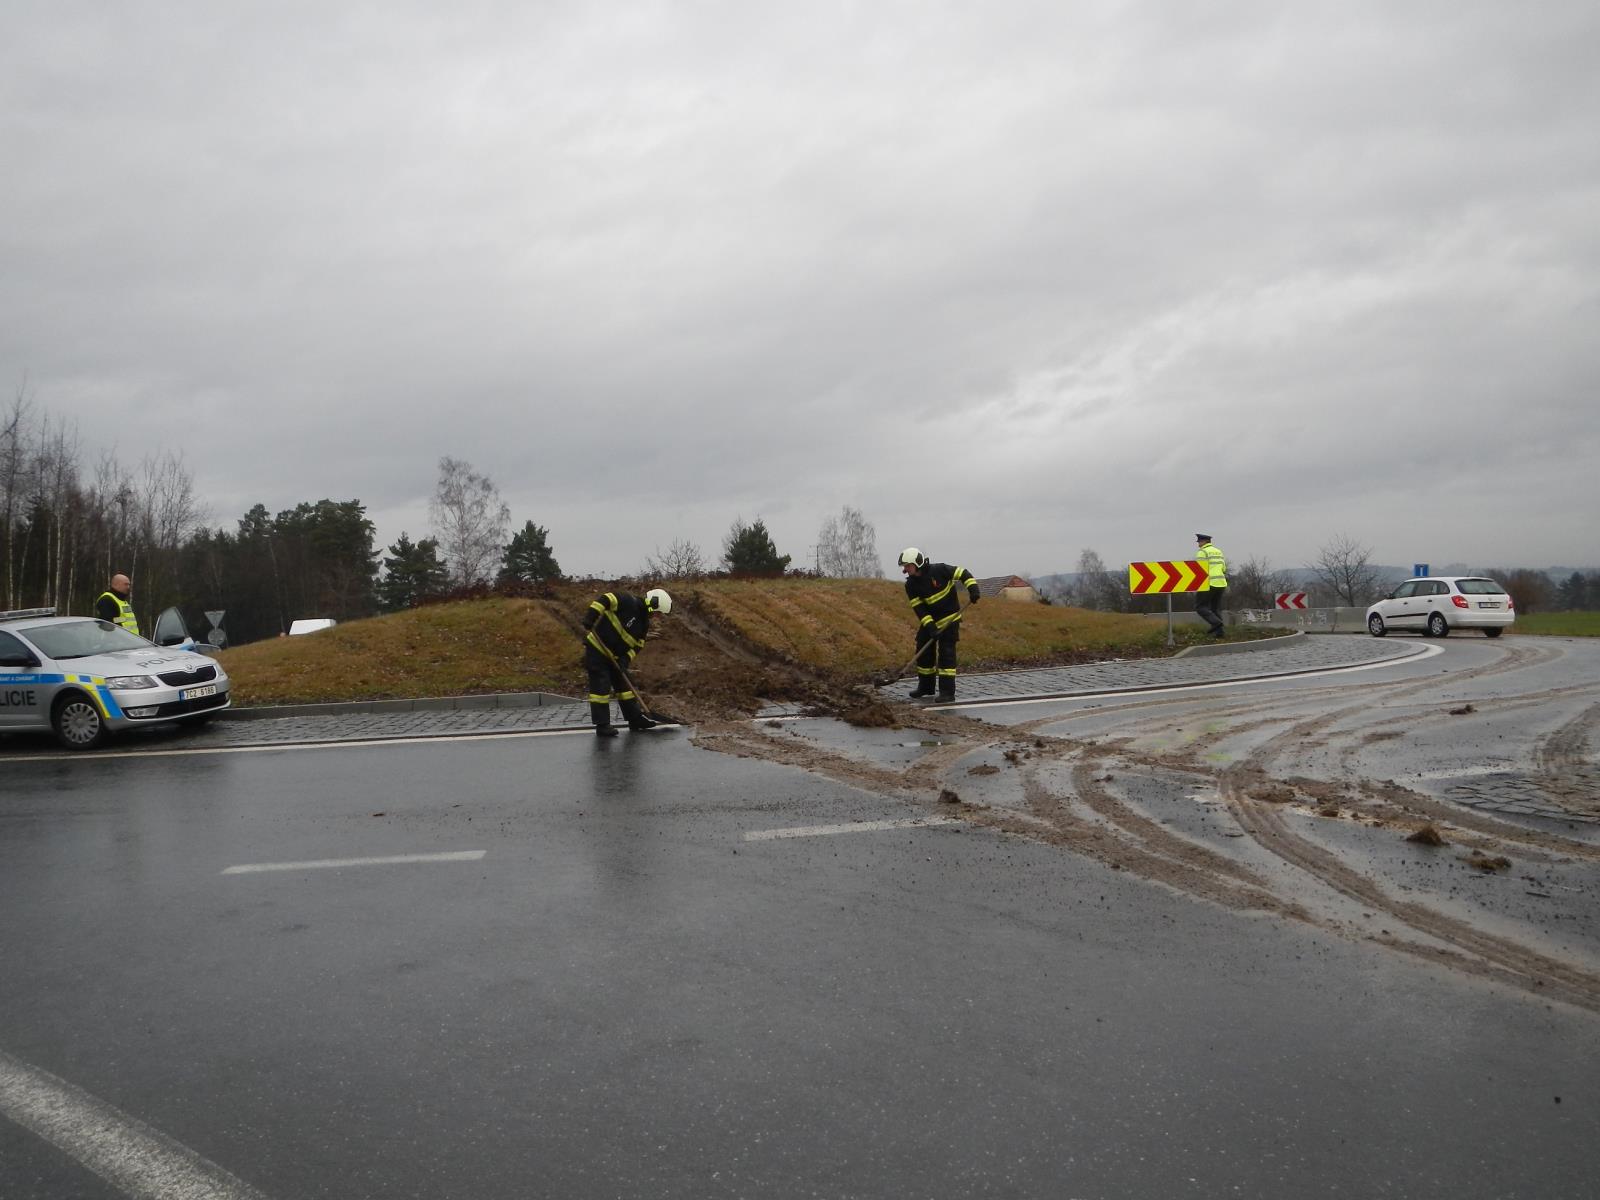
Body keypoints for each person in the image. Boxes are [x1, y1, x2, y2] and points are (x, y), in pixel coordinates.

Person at [581, 587, 672, 737]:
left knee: (625, 687)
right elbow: (606, 598)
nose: (657, 616)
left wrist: (625, 659)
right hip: (597, 650)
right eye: (658, 612)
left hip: (615, 658)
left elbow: (638, 646)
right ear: (654, 604)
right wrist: (591, 616)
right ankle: (602, 725)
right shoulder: (628, 601)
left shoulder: (644, 624)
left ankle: (634, 719)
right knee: (601, 687)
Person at [898, 548, 980, 703]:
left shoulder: (940, 570)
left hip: (950, 619)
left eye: (907, 566)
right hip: (931, 622)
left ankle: (947, 692)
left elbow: (963, 573)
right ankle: (926, 687)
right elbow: (919, 609)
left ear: (917, 563)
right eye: (904, 566)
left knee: (946, 656)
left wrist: (973, 588)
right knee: (923, 651)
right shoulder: (910, 585)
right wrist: (930, 628)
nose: (905, 569)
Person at [1194, 533, 1228, 637]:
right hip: (1221, 583)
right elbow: (1224, 569)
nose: (1198, 544)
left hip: (1209, 583)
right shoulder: (1218, 551)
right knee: (1215, 608)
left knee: (1200, 607)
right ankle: (1220, 633)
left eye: (1199, 541)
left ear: (1204, 542)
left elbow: (1200, 570)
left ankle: (1216, 623)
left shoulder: (1202, 552)